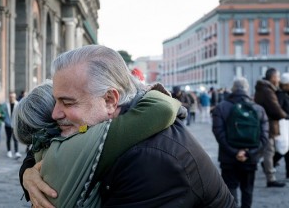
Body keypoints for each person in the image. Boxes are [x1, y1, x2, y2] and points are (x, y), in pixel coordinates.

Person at [20, 45, 235, 208]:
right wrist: (28, 174)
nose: (55, 113)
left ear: (110, 100)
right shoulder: (96, 125)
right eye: (56, 100)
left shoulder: (151, 159)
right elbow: (47, 143)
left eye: (68, 102)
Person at [13, 80, 182, 207]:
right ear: (57, 120)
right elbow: (162, 108)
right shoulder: (87, 141)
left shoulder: (44, 150)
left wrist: (26, 173)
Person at [212, 77, 269, 208]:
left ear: (232, 89)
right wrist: (249, 153)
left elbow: (218, 133)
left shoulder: (221, 107)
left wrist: (234, 152)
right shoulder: (259, 109)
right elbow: (264, 136)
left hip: (228, 158)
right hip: (250, 158)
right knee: (247, 190)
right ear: (248, 90)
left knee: (230, 190)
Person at [254, 68, 289, 187]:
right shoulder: (267, 91)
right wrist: (285, 115)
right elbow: (275, 108)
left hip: (266, 123)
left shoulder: (265, 89)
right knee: (269, 151)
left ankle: (248, 164)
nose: (279, 79)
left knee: (263, 150)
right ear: (273, 77)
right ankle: (271, 179)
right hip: (268, 124)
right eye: (278, 77)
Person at [273, 72, 289, 178]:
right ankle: (269, 162)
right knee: (284, 148)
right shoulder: (280, 94)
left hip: (286, 123)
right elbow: (279, 110)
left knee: (286, 149)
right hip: (284, 124)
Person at [2, 91, 21, 159]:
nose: (11, 98)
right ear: (9, 97)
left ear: (15, 97)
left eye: (13, 97)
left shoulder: (18, 104)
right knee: (8, 138)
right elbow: (2, 113)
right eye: (10, 97)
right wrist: (4, 120)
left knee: (15, 138)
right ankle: (9, 151)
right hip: (7, 124)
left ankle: (16, 152)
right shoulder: (5, 105)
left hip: (15, 124)